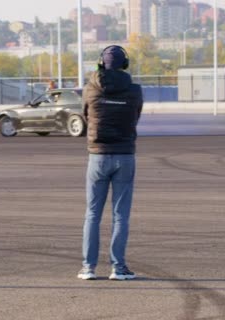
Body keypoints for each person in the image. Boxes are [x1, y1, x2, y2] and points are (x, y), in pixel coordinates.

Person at [78, 45, 143, 281]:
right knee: (120, 215)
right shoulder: (135, 90)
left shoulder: (89, 89)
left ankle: (88, 267)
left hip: (97, 154)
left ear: (100, 63)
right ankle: (118, 267)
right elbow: (136, 116)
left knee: (93, 213)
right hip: (125, 154)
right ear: (124, 64)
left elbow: (86, 115)